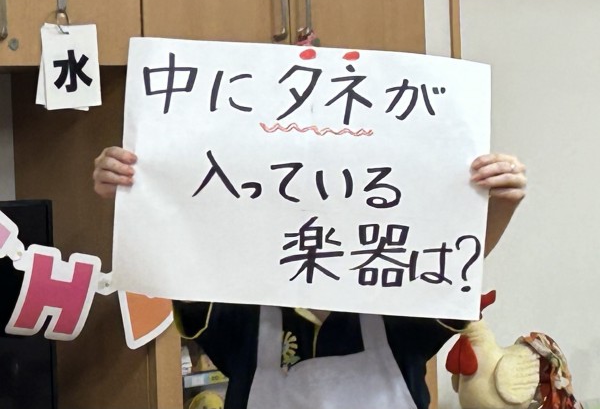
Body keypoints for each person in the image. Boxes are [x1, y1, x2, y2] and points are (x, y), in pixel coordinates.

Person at [94, 147, 526, 409]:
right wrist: (133, 196)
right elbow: (180, 265)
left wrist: (502, 202)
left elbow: (453, 262)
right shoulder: (243, 305)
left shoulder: (396, 301)